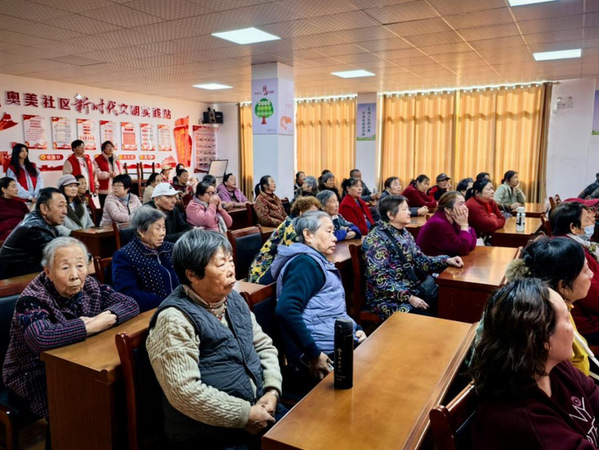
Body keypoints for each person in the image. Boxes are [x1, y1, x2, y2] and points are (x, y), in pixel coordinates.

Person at [146, 230, 284, 449]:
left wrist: (271, 390)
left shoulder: (233, 299)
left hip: (259, 409)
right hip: (208, 434)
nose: (231, 270)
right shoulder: (173, 319)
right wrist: (245, 415)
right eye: (221, 264)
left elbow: (263, 345)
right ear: (192, 274)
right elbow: (184, 392)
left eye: (231, 261)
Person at [2, 237, 139, 419]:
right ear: (48, 271)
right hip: (33, 372)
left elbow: (130, 304)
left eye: (80, 265)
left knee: (119, 390)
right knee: (77, 405)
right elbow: (42, 338)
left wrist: (107, 317)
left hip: (78, 359)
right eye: (65, 268)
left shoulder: (89, 284)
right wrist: (90, 326)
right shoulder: (32, 298)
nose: (75, 275)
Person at [470, 278, 599, 449]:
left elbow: (593, 394)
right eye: (567, 318)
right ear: (543, 340)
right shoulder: (526, 421)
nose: (572, 328)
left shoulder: (552, 366)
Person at [270, 212, 366, 391]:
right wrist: (313, 354)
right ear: (308, 235)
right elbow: (286, 309)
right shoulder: (305, 264)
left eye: (334, 232)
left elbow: (331, 310)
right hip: (323, 352)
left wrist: (356, 328)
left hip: (336, 341)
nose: (334, 238)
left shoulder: (317, 260)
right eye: (328, 232)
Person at [506, 236, 595, 376]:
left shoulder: (558, 305)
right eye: (585, 270)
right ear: (563, 286)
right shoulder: (551, 325)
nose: (591, 274)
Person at [362, 195, 463, 319]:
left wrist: (446, 260)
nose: (409, 212)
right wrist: (409, 297)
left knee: (451, 304)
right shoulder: (376, 240)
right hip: (387, 300)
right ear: (390, 215)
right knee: (431, 320)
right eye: (404, 209)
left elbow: (421, 260)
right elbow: (379, 280)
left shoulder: (404, 233)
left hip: (412, 290)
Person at [112, 206, 179, 312]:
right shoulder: (124, 256)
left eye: (164, 228)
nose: (162, 233)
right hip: (152, 311)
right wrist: (165, 302)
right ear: (142, 232)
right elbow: (128, 294)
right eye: (158, 228)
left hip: (179, 305)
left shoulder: (170, 248)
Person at [550, 202, 599, 344]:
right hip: (585, 324)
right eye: (587, 220)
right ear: (573, 227)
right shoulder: (571, 253)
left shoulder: (566, 243)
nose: (593, 222)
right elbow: (594, 299)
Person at [248, 197, 321, 284]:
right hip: (263, 271)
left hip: (277, 268)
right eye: (311, 214)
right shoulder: (292, 227)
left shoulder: (298, 223)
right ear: (301, 213)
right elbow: (293, 252)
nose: (315, 218)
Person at [0, 187, 66, 279]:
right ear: (44, 209)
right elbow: (60, 254)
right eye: (60, 206)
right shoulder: (34, 228)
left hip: (27, 274)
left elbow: (63, 244)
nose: (65, 211)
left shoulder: (45, 221)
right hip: (12, 281)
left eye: (65, 206)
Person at [416, 191, 477, 256]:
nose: (465, 207)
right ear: (448, 210)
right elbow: (463, 249)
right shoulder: (438, 223)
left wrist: (465, 225)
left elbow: (471, 244)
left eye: (464, 203)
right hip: (432, 261)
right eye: (461, 204)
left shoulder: (455, 219)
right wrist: (464, 225)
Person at [93, 140, 122, 207]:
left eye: (112, 146)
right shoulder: (98, 160)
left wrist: (116, 175)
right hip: (104, 190)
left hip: (116, 188)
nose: (111, 148)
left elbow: (120, 171)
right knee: (105, 207)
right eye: (108, 146)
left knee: (116, 207)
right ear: (104, 149)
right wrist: (109, 174)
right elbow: (96, 173)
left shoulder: (116, 159)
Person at [0, 177, 29, 241]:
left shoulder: (20, 204)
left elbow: (29, 219)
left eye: (16, 187)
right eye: (13, 187)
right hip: (5, 237)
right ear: (4, 189)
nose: (17, 189)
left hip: (23, 232)